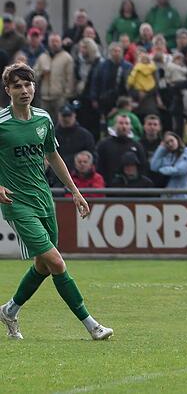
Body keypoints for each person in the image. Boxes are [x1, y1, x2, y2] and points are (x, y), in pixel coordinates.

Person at [0, 62, 113, 340]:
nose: (24, 90)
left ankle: (9, 310)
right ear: (7, 90)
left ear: (34, 87)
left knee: (43, 264)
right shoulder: (1, 123)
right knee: (57, 262)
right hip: (16, 202)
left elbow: (53, 156)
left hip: (43, 198)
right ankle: (92, 325)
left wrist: (75, 191)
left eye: (28, 85)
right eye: (17, 86)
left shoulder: (44, 119)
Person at [95, 114, 146, 185]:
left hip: (132, 187)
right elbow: (98, 166)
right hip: (109, 186)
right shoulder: (104, 144)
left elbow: (143, 166)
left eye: (126, 123)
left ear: (130, 126)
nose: (124, 126)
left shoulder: (137, 146)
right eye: (121, 123)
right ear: (115, 125)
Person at [33, 33, 74, 119]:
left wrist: (66, 95)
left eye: (57, 41)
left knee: (60, 121)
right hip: (44, 98)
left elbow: (70, 78)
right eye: (52, 41)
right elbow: (34, 74)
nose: (54, 44)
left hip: (60, 98)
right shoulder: (42, 57)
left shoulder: (67, 58)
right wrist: (42, 73)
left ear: (61, 42)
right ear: (49, 43)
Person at [149, 131, 187, 198]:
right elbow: (153, 166)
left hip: (182, 194)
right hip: (167, 194)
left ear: (177, 139)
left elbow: (180, 170)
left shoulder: (186, 152)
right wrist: (161, 148)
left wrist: (162, 170)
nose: (170, 144)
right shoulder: (167, 155)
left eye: (172, 141)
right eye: (167, 143)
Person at [54, 104, 94, 173]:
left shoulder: (84, 135)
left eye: (69, 116)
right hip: (56, 172)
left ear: (74, 115)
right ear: (59, 116)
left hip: (79, 174)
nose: (66, 119)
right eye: (64, 116)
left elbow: (92, 155)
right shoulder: (52, 135)